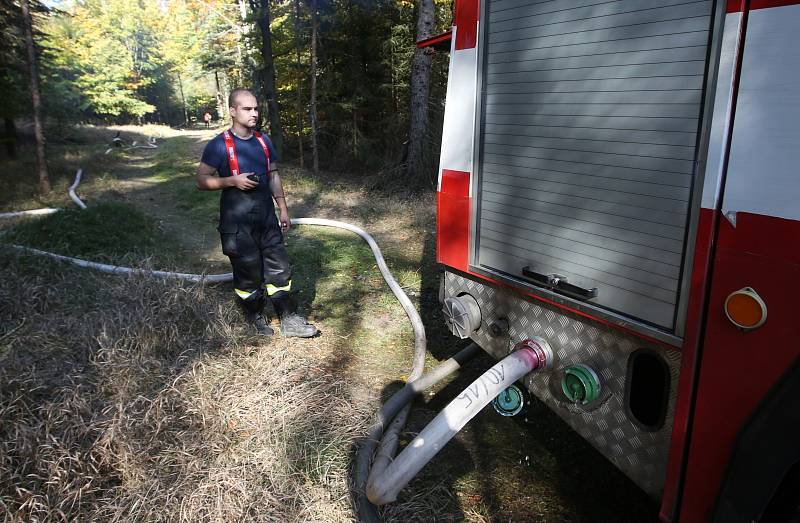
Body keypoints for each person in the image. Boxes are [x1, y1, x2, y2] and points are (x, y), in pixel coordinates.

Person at [196, 88, 318, 338]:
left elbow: (273, 175)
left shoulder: (263, 141)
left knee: (280, 269)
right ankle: (254, 317)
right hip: (237, 224)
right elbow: (201, 179)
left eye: (256, 109)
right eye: (247, 109)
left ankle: (288, 319)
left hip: (267, 219)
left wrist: (283, 208)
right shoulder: (219, 145)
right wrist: (232, 181)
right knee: (248, 273)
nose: (254, 113)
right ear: (233, 111)